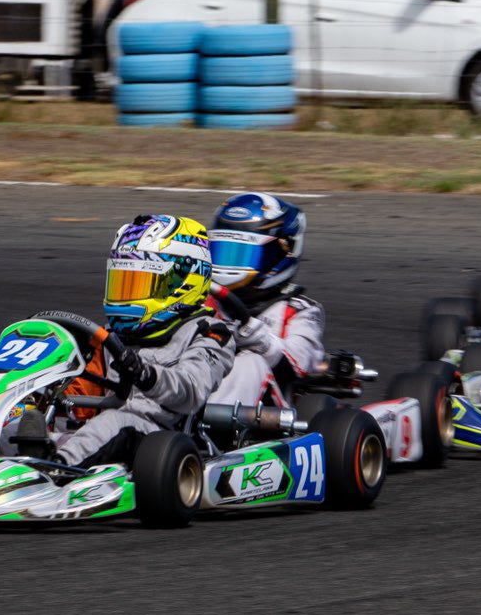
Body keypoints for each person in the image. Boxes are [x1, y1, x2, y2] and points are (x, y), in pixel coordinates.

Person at [53, 214, 235, 468]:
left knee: (114, 423)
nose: (125, 297)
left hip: (160, 440)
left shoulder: (210, 333)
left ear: (182, 281)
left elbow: (191, 390)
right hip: (100, 433)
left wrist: (146, 374)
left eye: (138, 283)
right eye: (122, 282)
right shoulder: (111, 336)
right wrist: (50, 394)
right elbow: (84, 389)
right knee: (29, 416)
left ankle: (52, 472)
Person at [205, 193, 325, 407]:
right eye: (223, 252)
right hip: (199, 388)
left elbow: (297, 366)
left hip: (267, 418)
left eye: (242, 255)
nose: (228, 265)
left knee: (249, 363)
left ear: (283, 253)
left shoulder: (299, 310)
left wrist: (258, 339)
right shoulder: (205, 301)